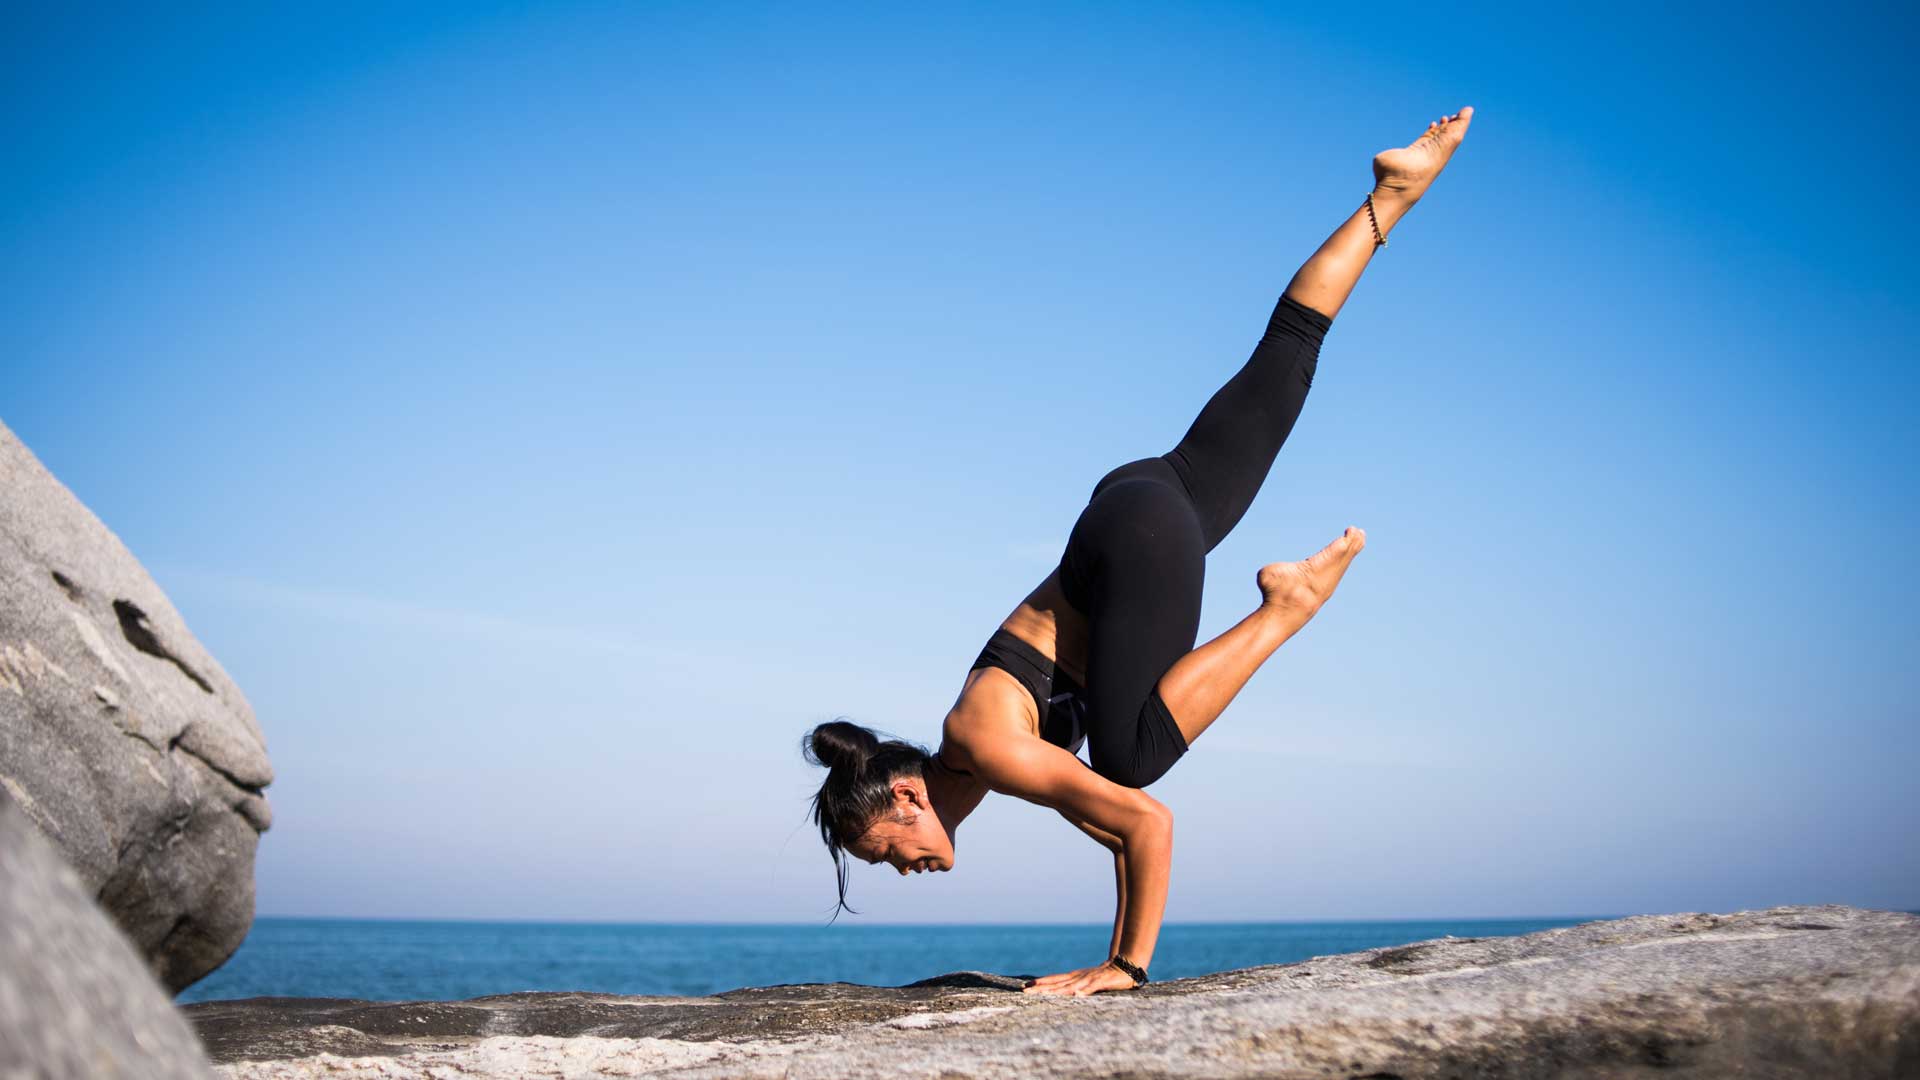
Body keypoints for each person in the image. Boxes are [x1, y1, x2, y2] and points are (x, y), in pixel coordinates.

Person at [801, 108, 1475, 997]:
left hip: (1139, 542)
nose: (899, 870)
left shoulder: (985, 745)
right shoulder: (974, 756)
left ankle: (1285, 607)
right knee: (1285, 359)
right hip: (1139, 504)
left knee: (1130, 759)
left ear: (905, 800)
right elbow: (1109, 829)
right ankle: (1393, 195)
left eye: (884, 853)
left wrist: (1123, 966)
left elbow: (1142, 821)